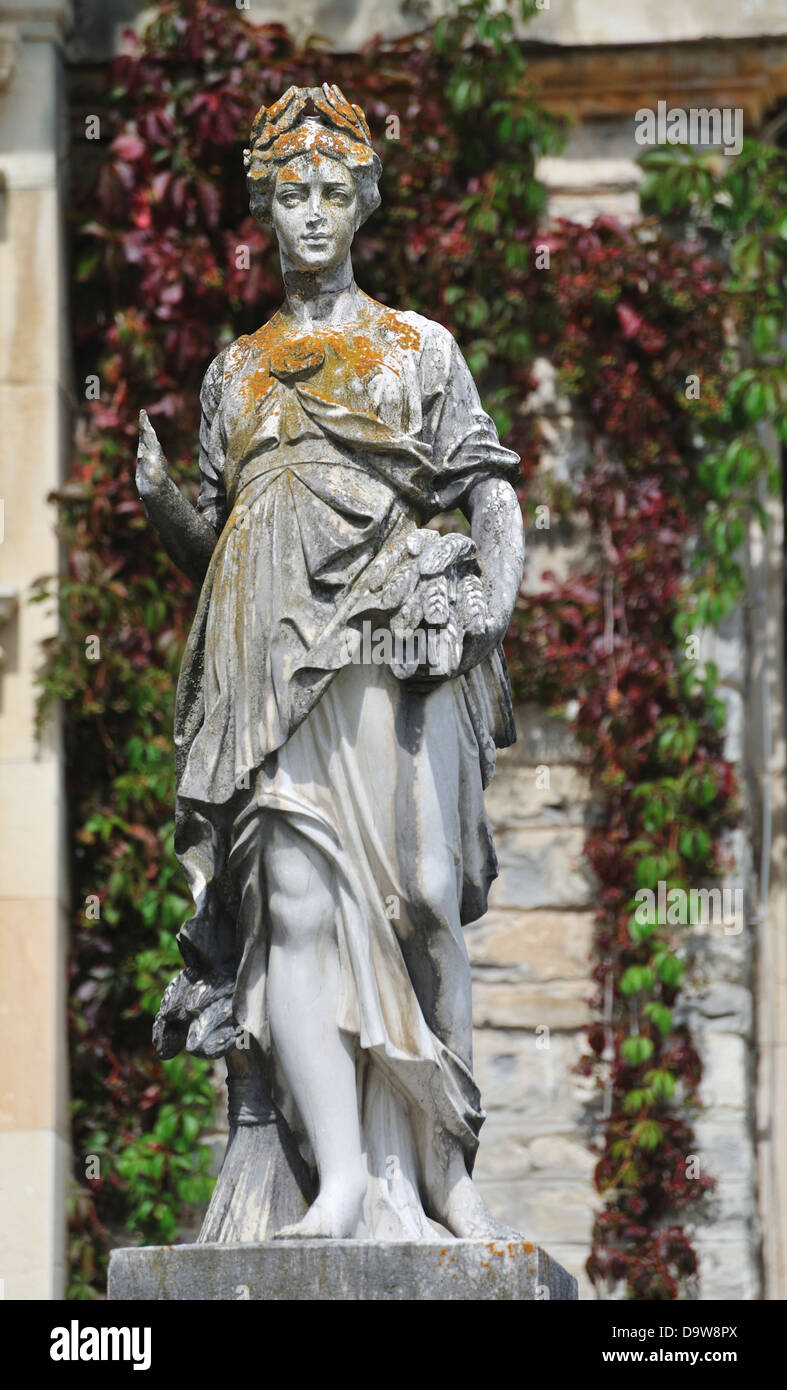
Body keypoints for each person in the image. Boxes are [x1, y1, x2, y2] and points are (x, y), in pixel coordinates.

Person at [136, 83, 525, 1240]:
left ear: (359, 205)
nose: (310, 214)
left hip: (387, 646)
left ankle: (446, 1160)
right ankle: (345, 1174)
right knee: (295, 910)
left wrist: (485, 608)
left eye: (329, 194)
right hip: (263, 663)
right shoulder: (235, 372)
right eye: (288, 195)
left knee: (424, 898)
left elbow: (489, 491)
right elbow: (224, 539)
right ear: (265, 212)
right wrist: (166, 510)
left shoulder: (416, 348)